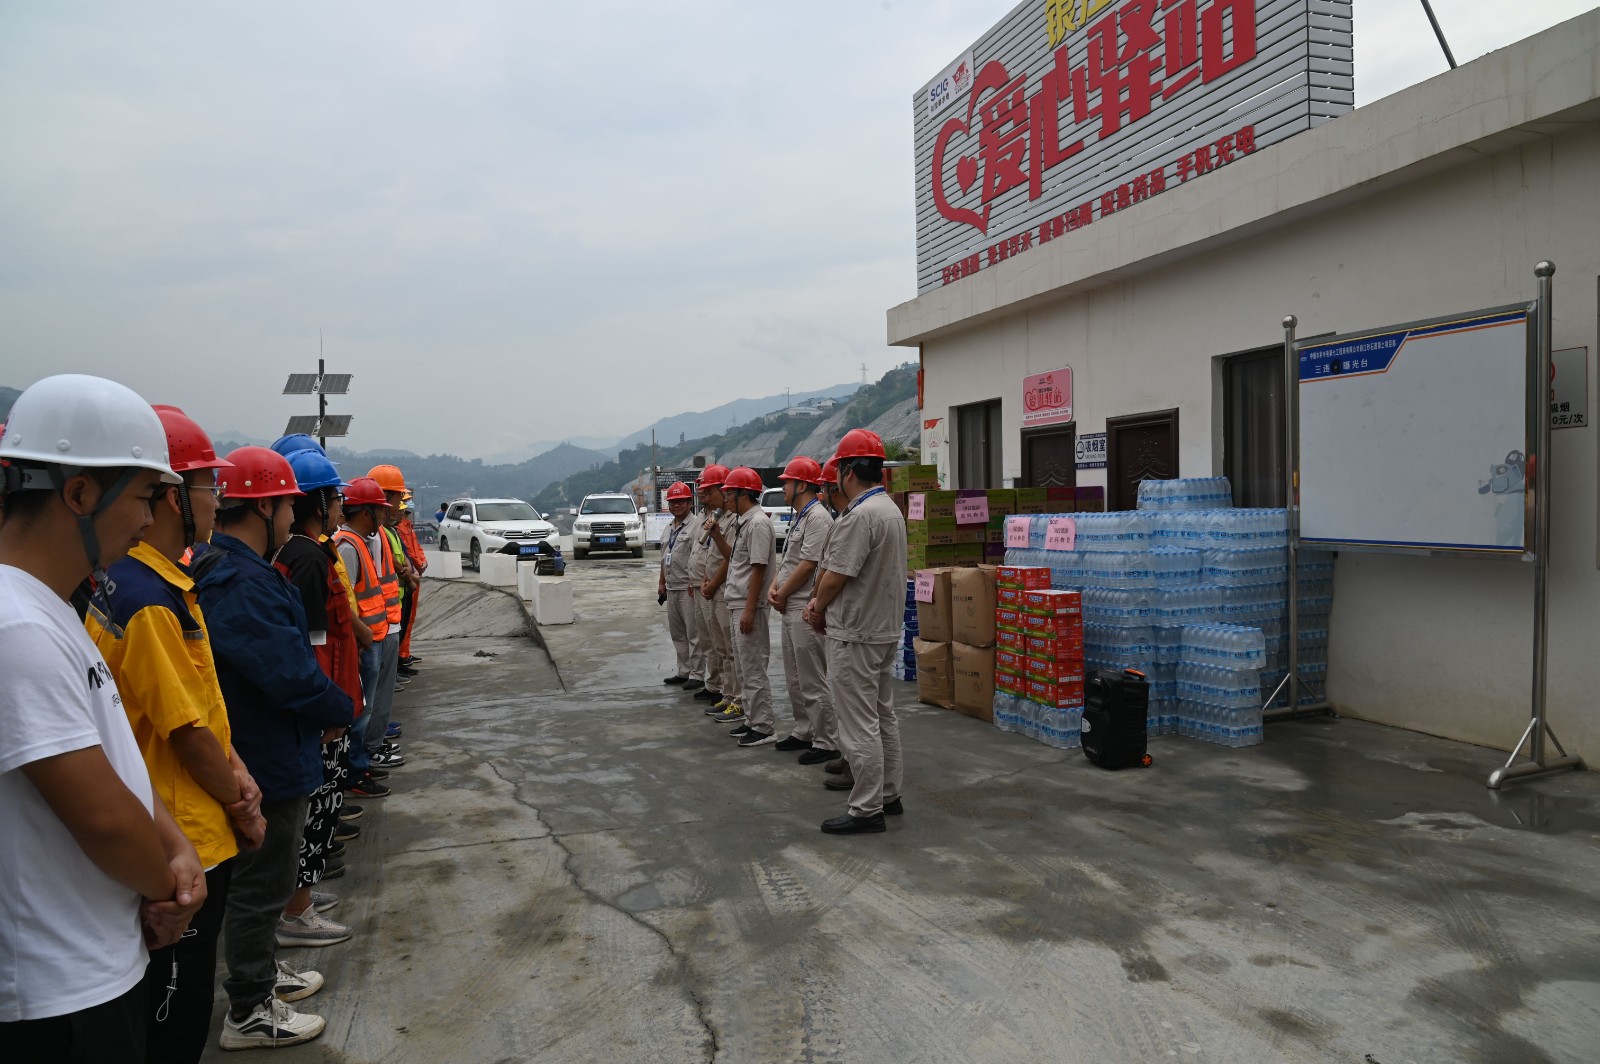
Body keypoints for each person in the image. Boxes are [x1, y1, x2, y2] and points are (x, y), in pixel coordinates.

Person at [0, 374, 205, 1062]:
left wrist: (175, 847)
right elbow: (102, 818)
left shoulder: (50, 607)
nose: (152, 517)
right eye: (145, 495)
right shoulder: (16, 626)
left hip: (93, 966)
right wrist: (174, 887)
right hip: (58, 996)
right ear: (80, 494)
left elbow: (114, 765)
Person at [85, 405, 272, 1064]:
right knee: (176, 1015)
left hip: (176, 822)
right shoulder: (147, 602)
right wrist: (242, 803)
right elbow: (187, 733)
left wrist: (238, 772)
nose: (218, 500)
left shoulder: (146, 583)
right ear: (172, 496)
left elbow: (201, 712)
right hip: (183, 837)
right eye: (208, 485)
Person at [191, 445, 354, 1049]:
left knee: (262, 882)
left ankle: (259, 972)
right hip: (268, 753)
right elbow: (287, 672)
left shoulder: (233, 569)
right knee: (262, 885)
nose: (293, 514)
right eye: (286, 504)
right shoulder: (241, 582)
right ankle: (251, 1008)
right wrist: (340, 709)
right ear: (263, 507)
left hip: (267, 744)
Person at [275, 447, 366, 949]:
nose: (340, 508)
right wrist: (328, 710)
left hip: (330, 703)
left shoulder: (305, 552)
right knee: (318, 808)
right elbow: (313, 647)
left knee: (318, 809)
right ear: (319, 503)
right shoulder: (308, 559)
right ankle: (297, 911)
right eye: (334, 499)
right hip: (325, 710)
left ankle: (301, 898)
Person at [804, 430, 907, 835]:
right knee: (882, 716)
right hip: (882, 629)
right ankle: (889, 794)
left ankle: (867, 809)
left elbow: (836, 575)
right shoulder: (889, 509)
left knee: (859, 723)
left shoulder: (860, 515)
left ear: (847, 472)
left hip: (857, 632)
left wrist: (816, 607)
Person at [332, 476, 400, 798]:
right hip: (364, 643)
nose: (385, 515)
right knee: (361, 711)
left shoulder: (359, 541)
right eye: (380, 510)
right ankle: (355, 772)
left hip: (371, 638)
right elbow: (344, 602)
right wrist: (362, 637)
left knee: (366, 709)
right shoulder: (348, 546)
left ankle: (360, 764)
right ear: (366, 512)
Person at [767, 456, 838, 764]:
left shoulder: (818, 518)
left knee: (811, 677)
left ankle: (826, 740)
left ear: (802, 486)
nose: (783, 487)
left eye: (787, 482)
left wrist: (781, 592)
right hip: (789, 602)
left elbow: (809, 564)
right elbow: (790, 561)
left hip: (803, 604)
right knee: (794, 676)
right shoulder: (801, 517)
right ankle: (805, 729)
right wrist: (775, 586)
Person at [709, 467, 776, 745]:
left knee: (753, 668)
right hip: (737, 602)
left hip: (749, 606)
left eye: (729, 494)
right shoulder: (744, 522)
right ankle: (752, 718)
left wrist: (749, 609)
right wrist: (716, 536)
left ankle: (763, 726)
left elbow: (758, 569)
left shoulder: (758, 523)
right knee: (744, 668)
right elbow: (736, 559)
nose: (725, 500)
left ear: (744, 494)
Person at [688, 465, 731, 713]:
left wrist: (711, 583)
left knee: (723, 646)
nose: (702, 493)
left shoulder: (731, 519)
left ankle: (725, 690)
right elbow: (704, 552)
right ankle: (716, 685)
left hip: (720, 588)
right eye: (701, 489)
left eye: (708, 489)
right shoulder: (709, 516)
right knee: (709, 640)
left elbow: (729, 557)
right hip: (703, 584)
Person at [657, 481, 703, 689]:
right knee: (678, 634)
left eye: (681, 501)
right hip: (672, 587)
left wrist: (695, 582)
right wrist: (661, 582)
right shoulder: (669, 528)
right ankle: (684, 671)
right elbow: (664, 558)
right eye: (673, 502)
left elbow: (699, 557)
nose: (677, 505)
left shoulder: (696, 526)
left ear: (689, 502)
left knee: (694, 634)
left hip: (688, 588)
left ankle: (697, 674)